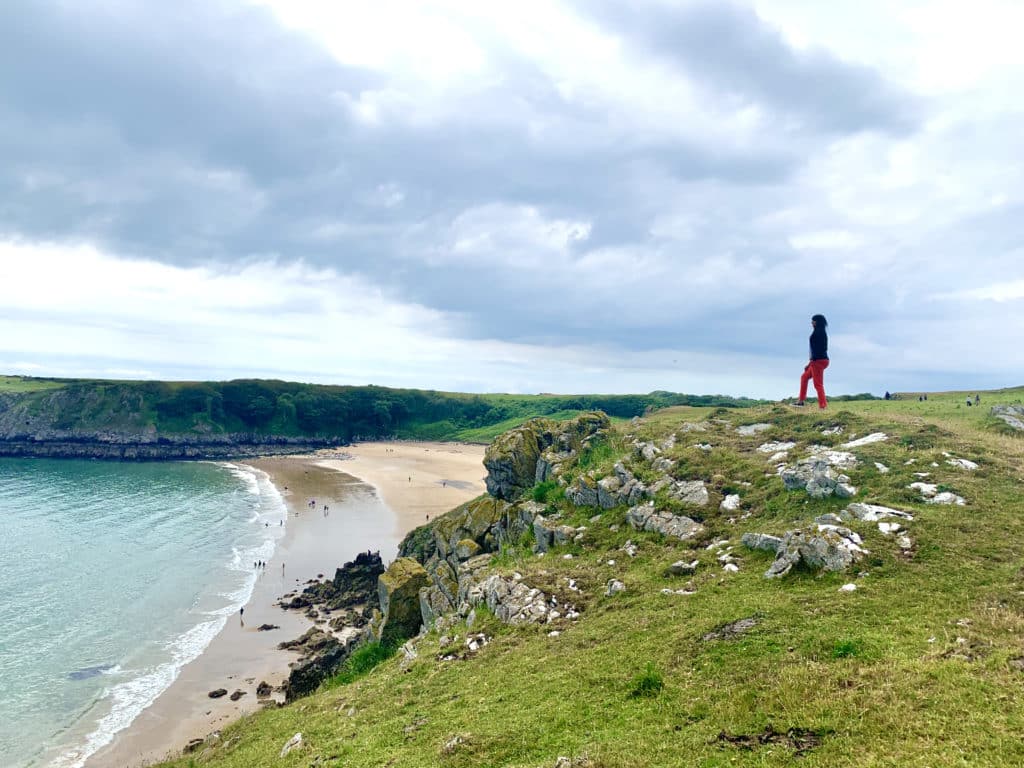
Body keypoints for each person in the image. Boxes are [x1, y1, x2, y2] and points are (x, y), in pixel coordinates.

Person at [795, 314, 829, 409]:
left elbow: (818, 350)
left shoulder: (818, 333)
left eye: (813, 320)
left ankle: (823, 406)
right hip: (821, 360)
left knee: (818, 384)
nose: (812, 322)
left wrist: (812, 362)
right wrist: (810, 363)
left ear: (817, 322)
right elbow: (820, 349)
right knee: (804, 377)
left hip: (818, 361)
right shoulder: (821, 332)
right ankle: (801, 401)